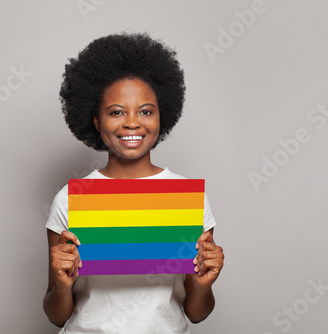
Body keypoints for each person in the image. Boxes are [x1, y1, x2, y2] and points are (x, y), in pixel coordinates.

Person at [43, 32, 224, 333]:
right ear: (97, 120)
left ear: (160, 116)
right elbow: (56, 315)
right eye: (116, 112)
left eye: (145, 111)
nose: (131, 123)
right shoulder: (70, 199)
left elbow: (196, 313)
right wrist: (62, 285)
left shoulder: (186, 199)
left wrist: (204, 286)